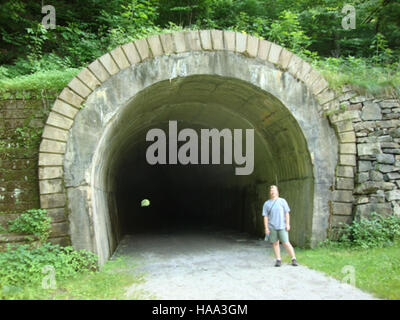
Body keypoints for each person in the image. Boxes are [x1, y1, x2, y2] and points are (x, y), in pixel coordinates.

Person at [262, 185, 298, 267]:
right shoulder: (266, 204)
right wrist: (266, 228)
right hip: (272, 227)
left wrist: (288, 224)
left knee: (286, 243)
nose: (272, 191)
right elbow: (265, 216)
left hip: (282, 226)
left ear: (277, 191)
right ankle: (278, 260)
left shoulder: (282, 201)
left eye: (274, 190)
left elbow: (287, 213)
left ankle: (293, 258)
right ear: (269, 192)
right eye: (271, 190)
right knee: (275, 243)